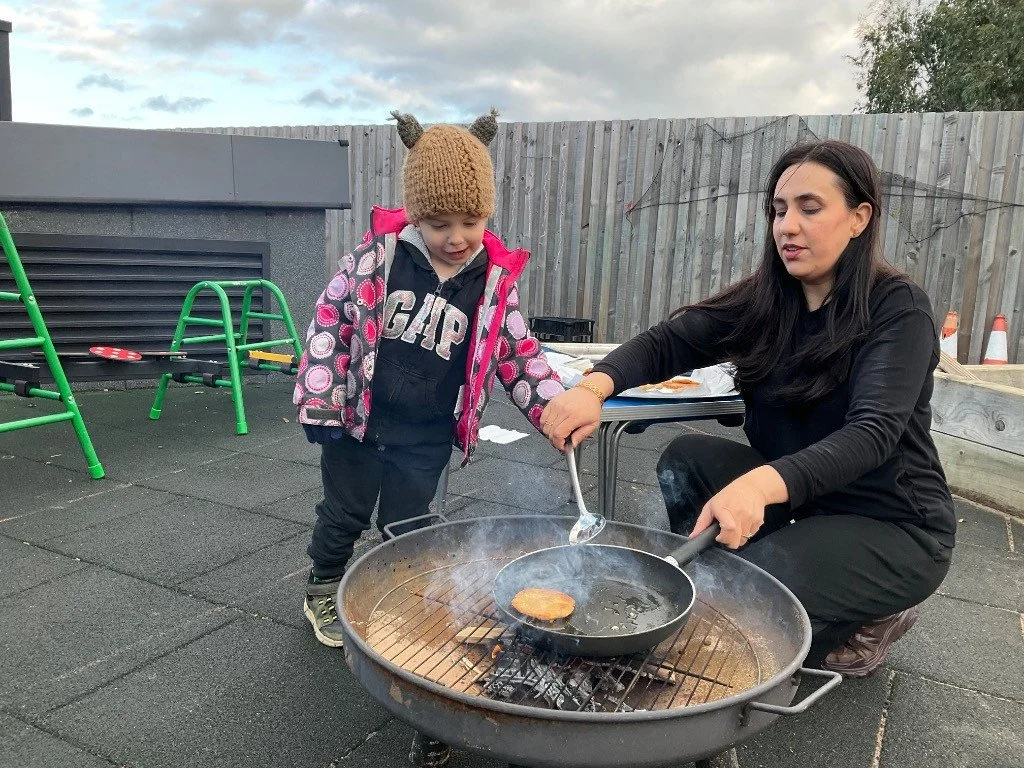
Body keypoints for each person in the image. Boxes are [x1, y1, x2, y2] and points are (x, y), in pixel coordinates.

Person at [539, 139, 955, 676]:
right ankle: (718, 583)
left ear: (858, 218)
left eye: (810, 208)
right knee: (686, 459)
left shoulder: (898, 309)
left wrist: (759, 488)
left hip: (892, 522)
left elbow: (872, 432)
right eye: (779, 211)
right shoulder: (768, 300)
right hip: (807, 498)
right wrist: (592, 388)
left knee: (746, 597)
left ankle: (875, 609)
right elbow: (670, 342)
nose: (787, 226)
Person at [294, 109, 565, 649]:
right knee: (343, 512)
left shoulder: (492, 282)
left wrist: (554, 406)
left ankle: (398, 596)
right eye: (440, 224)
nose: (457, 237)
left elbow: (515, 352)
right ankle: (324, 587)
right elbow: (330, 321)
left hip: (427, 433)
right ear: (416, 215)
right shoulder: (378, 260)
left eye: (471, 221)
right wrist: (321, 402)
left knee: (411, 524)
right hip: (359, 423)